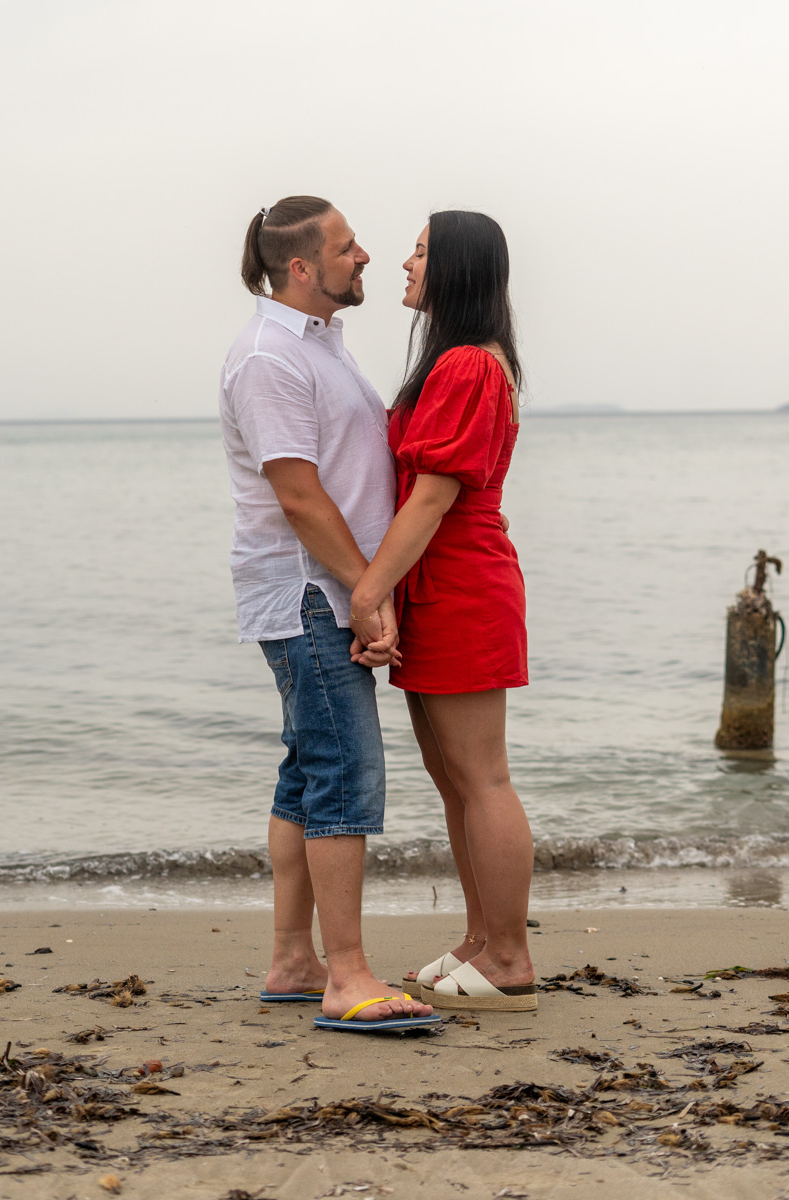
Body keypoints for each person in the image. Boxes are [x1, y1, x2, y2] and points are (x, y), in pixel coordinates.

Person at [218, 196, 436, 1031]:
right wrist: (364, 593)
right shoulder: (270, 358)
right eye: (348, 249)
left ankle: (292, 960)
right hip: (310, 590)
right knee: (344, 775)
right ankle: (346, 977)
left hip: (324, 588)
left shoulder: (321, 346)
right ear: (300, 268)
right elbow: (301, 498)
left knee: (306, 773)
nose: (367, 257)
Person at [349, 210, 536, 1012]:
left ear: (455, 267)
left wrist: (369, 590)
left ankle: (513, 958)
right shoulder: (456, 362)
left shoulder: (469, 366)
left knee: (483, 777)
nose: (405, 263)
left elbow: (432, 497)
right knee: (455, 781)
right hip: (435, 582)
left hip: (460, 583)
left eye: (421, 251)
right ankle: (481, 939)